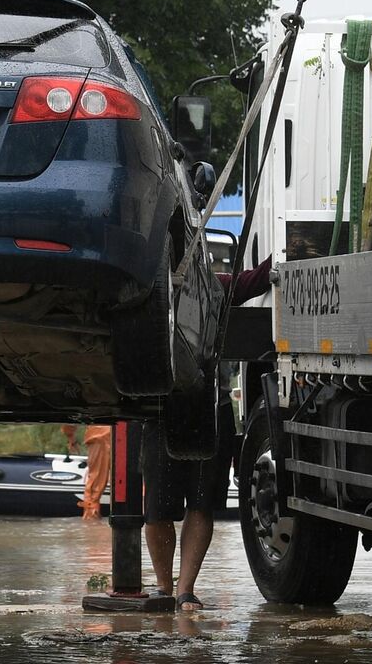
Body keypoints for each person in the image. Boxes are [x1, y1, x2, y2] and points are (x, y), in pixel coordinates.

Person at [142, 257, 272, 611]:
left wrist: (286, 251)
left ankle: (185, 590)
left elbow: (254, 281)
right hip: (158, 408)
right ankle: (164, 587)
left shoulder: (216, 286)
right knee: (156, 508)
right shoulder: (147, 287)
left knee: (201, 502)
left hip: (209, 407)